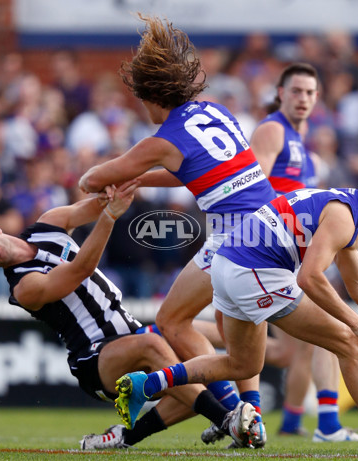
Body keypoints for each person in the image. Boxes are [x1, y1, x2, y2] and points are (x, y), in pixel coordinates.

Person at [116, 156, 358, 455]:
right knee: (350, 342)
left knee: (242, 365)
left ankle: (146, 384)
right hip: (254, 270)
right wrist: (354, 321)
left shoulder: (343, 212)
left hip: (229, 266)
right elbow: (310, 278)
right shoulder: (341, 219)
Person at [78, 15, 276, 446]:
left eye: (140, 100)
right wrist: (142, 179)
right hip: (270, 224)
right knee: (225, 323)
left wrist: (95, 177)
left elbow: (94, 178)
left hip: (235, 237)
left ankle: (235, 415)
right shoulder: (215, 112)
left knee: (172, 321)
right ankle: (251, 411)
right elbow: (195, 172)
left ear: (152, 95)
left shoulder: (160, 140)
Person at [0, 180, 258, 450]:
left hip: (131, 332)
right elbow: (80, 269)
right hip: (95, 360)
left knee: (193, 361)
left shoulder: (48, 224)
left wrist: (114, 187)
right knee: (157, 346)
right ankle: (229, 419)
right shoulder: (23, 287)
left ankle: (128, 436)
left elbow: (95, 205)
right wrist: (111, 215)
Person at [249, 62, 358, 442]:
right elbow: (250, 188)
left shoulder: (304, 144)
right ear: (280, 93)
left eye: (310, 92)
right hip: (264, 250)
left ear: (318, 98)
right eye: (296, 91)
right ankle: (329, 424)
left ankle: (292, 421)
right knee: (325, 333)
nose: (303, 98)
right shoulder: (273, 131)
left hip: (290, 254)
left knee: (298, 349)